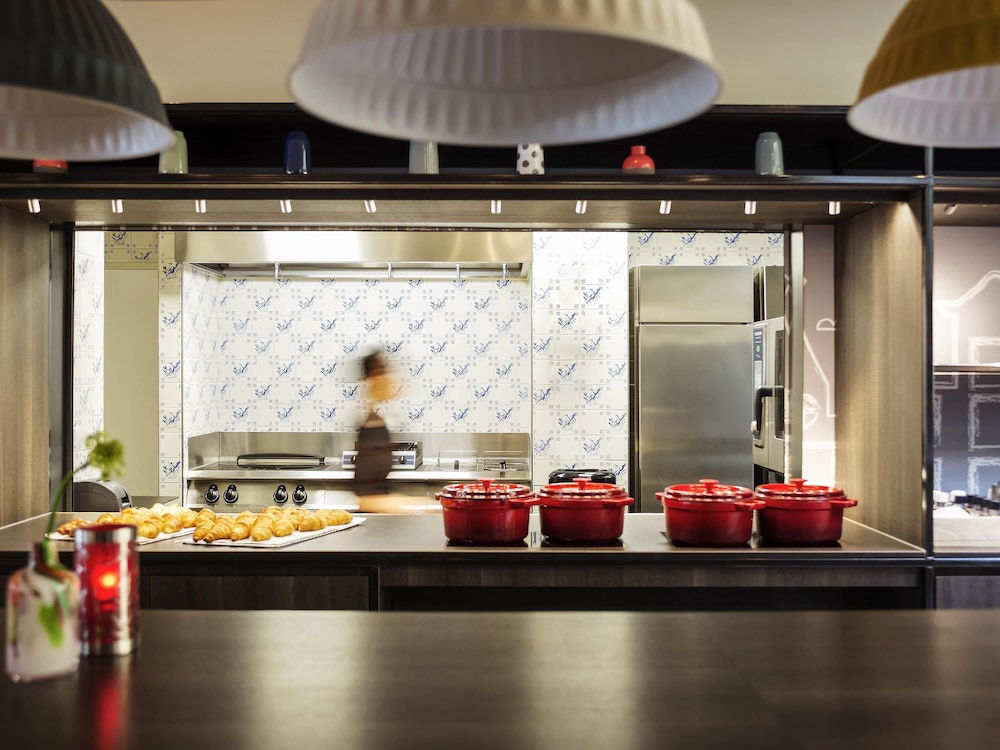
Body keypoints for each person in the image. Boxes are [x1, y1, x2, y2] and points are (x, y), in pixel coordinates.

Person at [352, 350, 427, 513]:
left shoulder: (377, 418)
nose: (387, 378)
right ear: (368, 380)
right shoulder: (367, 421)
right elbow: (365, 499)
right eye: (380, 372)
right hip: (372, 514)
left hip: (380, 513)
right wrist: (410, 505)